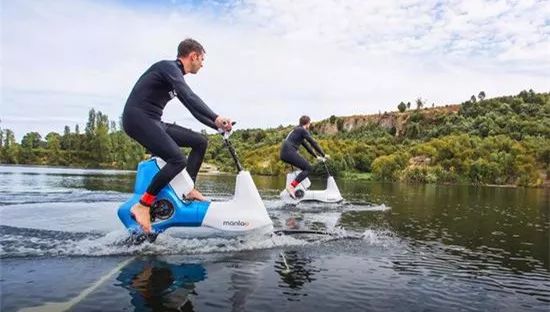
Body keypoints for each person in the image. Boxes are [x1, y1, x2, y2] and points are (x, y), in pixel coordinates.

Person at [122, 38, 232, 233]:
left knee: (200, 142)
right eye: (202, 60)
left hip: (154, 121)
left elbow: (193, 109)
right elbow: (190, 96)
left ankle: (187, 190)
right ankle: (143, 205)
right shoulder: (168, 67)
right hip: (137, 119)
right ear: (194, 56)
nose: (202, 64)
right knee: (177, 159)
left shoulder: (175, 76)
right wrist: (216, 117)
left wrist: (217, 126)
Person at [280, 115, 329, 198]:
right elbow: (313, 142)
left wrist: (317, 157)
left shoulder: (297, 130)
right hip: (289, 152)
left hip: (285, 153)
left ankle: (295, 188)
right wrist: (324, 154)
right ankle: (291, 187)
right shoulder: (302, 130)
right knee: (308, 168)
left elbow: (307, 147)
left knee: (304, 168)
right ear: (308, 123)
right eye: (309, 124)